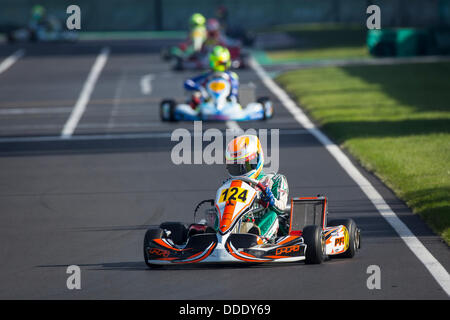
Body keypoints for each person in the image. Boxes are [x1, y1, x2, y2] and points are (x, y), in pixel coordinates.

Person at [224, 134, 289, 241]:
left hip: (261, 224)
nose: (242, 171)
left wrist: (272, 201)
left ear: (258, 158)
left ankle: (257, 238)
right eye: (235, 167)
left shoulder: (275, 180)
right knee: (214, 214)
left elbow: (281, 209)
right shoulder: (228, 184)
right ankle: (213, 237)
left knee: (273, 215)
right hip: (235, 226)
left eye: (247, 165)